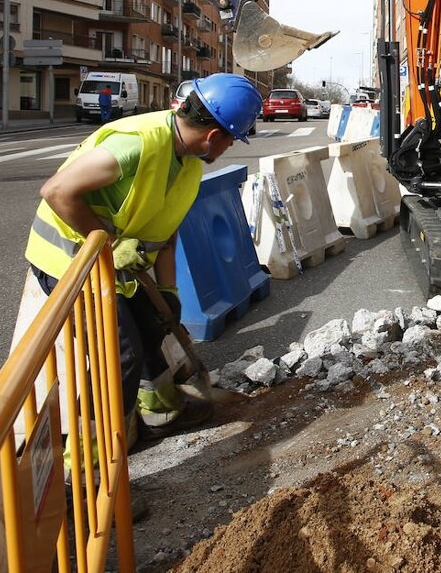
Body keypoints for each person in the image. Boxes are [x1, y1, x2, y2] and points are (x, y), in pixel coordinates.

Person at [25, 73, 263, 439]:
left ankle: (160, 412)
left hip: (115, 267)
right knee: (119, 353)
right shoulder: (137, 143)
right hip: (69, 263)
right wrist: (109, 244)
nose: (230, 147)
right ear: (215, 135)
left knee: (152, 325)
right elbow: (57, 191)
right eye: (232, 140)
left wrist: (169, 294)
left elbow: (164, 235)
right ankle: (87, 466)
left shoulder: (188, 165)